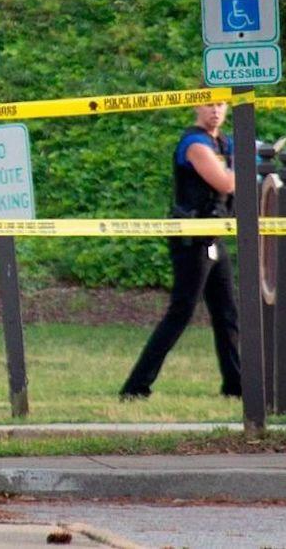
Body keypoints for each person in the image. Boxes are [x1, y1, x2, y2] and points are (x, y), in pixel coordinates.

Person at [120, 100, 242, 399]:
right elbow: (225, 183)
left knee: (227, 313)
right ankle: (135, 387)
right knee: (181, 313)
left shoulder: (223, 142)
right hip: (191, 239)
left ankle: (235, 386)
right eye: (209, 104)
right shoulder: (194, 143)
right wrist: (250, 164)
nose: (216, 111)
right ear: (196, 106)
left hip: (213, 237)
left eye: (221, 104)